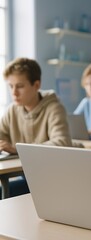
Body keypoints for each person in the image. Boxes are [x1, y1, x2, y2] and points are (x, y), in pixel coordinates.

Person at [0, 57, 72, 197]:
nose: (14, 92)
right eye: (10, 86)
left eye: (20, 86)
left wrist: (17, 149)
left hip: (53, 180)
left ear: (36, 85)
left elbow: (62, 143)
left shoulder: (54, 108)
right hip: (27, 177)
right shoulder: (12, 110)